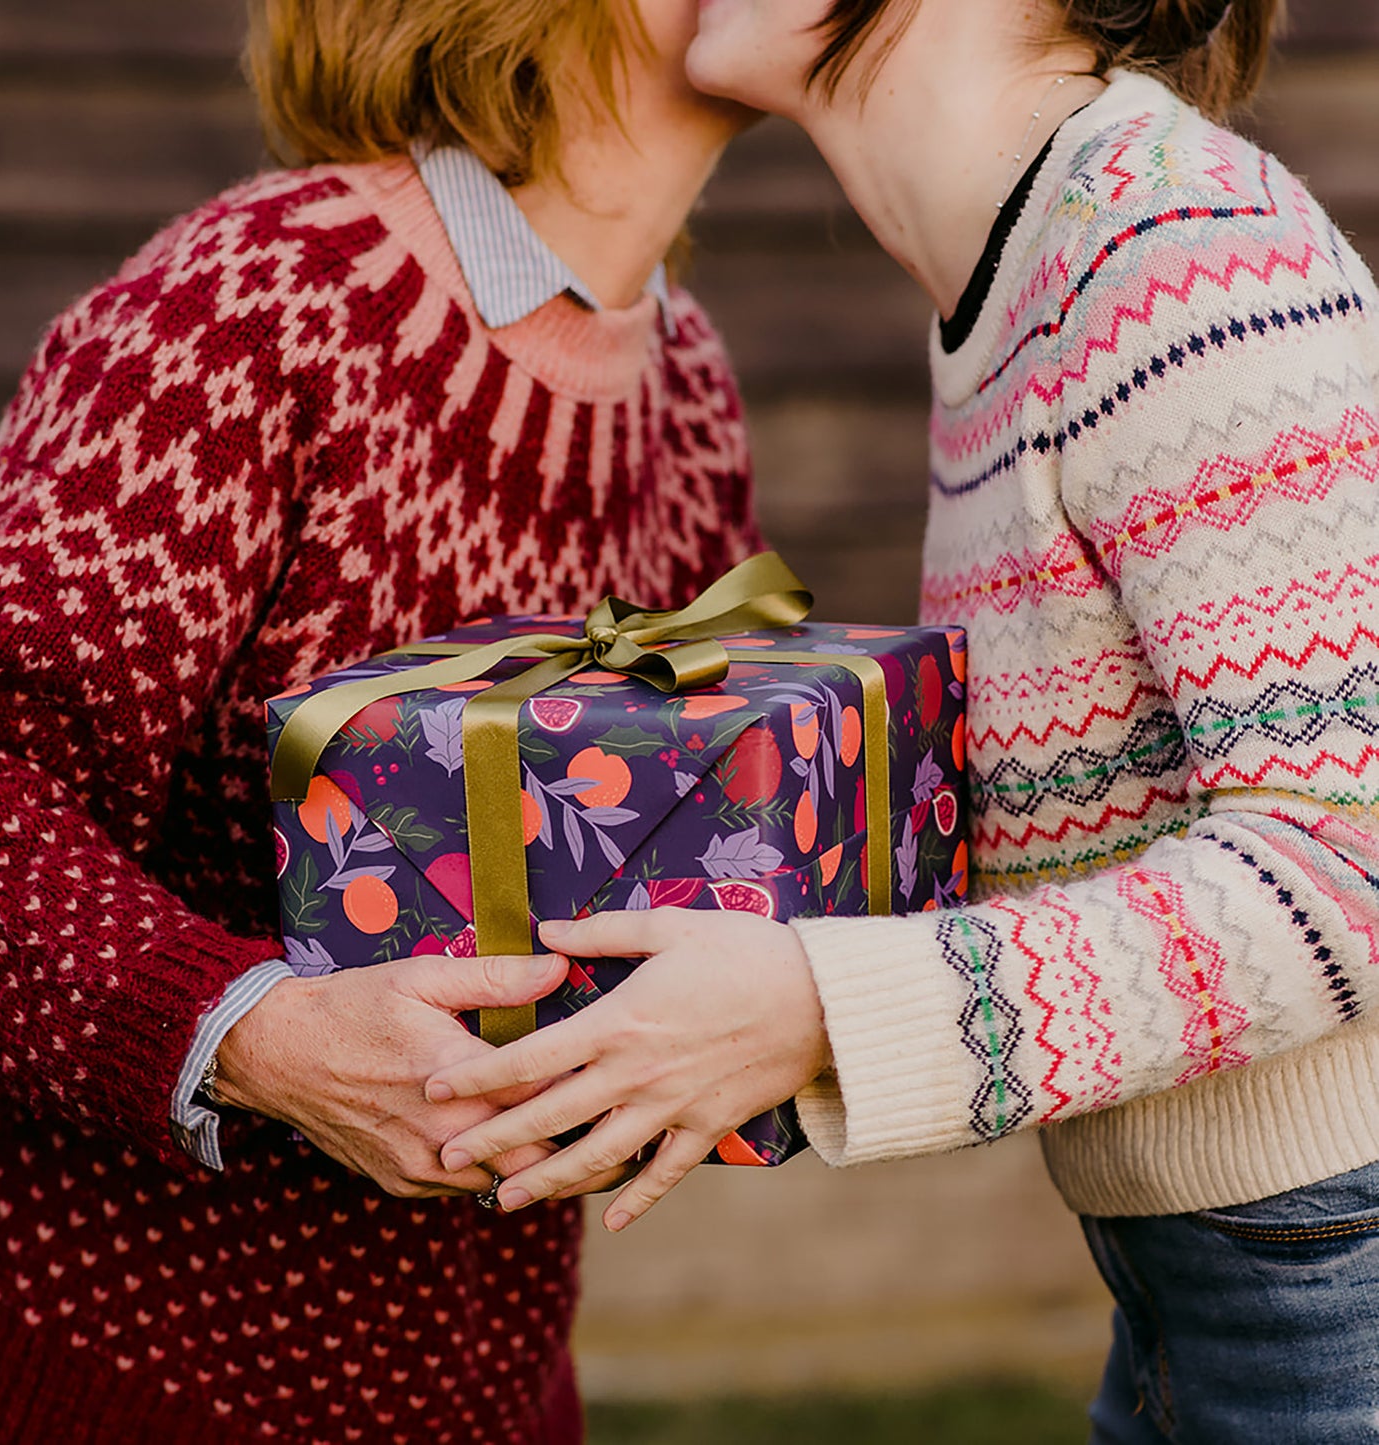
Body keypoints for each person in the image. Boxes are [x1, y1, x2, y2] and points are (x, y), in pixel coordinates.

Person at [424, 2, 1379, 1439]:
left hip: (1330, 1270)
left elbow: (1350, 860)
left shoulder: (1179, 250)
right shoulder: (1024, 267)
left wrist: (816, 1004)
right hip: (1221, 1258)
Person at [0, 0, 760, 1438]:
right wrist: (247, 1030)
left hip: (484, 1384)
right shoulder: (257, 303)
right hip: (103, 1376)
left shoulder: (682, 388)